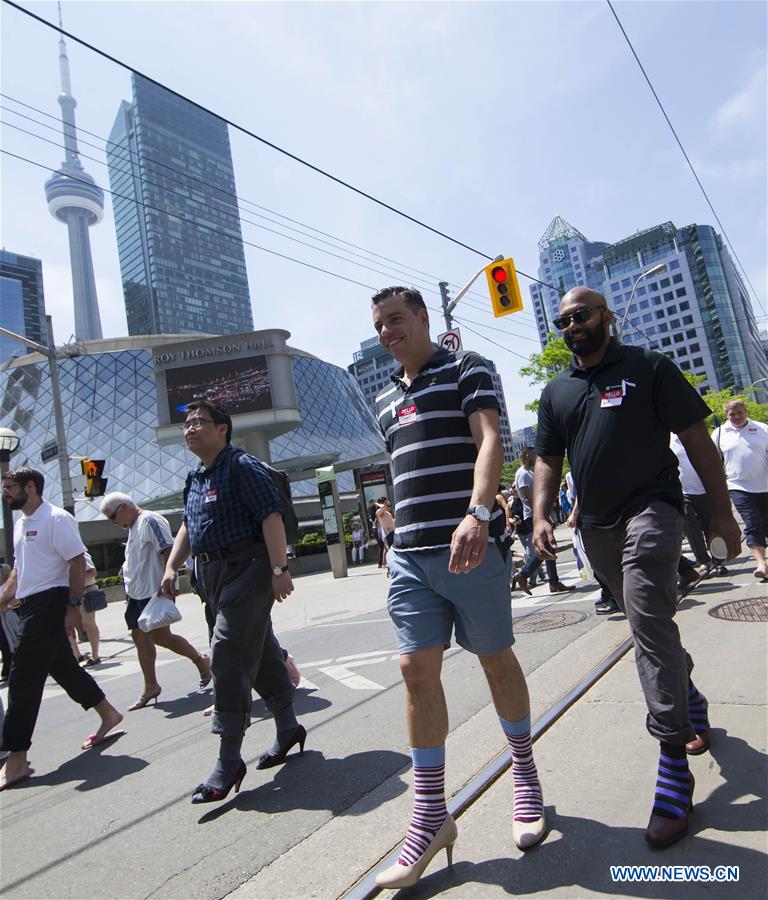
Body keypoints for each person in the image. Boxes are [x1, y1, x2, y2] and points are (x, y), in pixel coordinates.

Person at [532, 287, 741, 847]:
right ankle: (688, 695)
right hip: (595, 526)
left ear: (606, 316)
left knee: (647, 621)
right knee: (649, 627)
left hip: (653, 508)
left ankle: (672, 763)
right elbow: (548, 460)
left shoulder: (649, 367)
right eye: (564, 321)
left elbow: (698, 441)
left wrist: (721, 515)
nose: (572, 325)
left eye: (582, 315)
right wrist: (541, 515)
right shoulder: (556, 391)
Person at [370, 286, 545, 890]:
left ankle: (524, 777)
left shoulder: (467, 367)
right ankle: (429, 817)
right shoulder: (384, 400)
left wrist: (479, 513)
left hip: (471, 548)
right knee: (415, 671)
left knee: (496, 661)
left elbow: (490, 438)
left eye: (397, 319)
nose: (388, 331)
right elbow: (403, 472)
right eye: (380, 325)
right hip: (411, 559)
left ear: (423, 318)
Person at [159, 401, 304, 804]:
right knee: (260, 649)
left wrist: (279, 570)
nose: (190, 429)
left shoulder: (242, 466)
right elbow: (188, 524)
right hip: (212, 576)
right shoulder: (195, 476)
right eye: (186, 423)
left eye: (200, 422)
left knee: (226, 652)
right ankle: (289, 727)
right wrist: (172, 567)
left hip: (250, 567)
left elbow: (270, 516)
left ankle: (228, 758)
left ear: (223, 429)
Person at [0, 467, 123, 791]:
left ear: (30, 487)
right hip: (29, 605)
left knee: (23, 677)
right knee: (64, 669)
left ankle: (16, 758)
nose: (5, 493)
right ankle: (108, 712)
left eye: (9, 487)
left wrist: (72, 607)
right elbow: (19, 570)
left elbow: (77, 562)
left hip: (49, 604)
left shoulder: (55, 518)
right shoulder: (22, 523)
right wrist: (2, 600)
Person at [99, 493, 212, 710]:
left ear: (123, 507)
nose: (113, 523)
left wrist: (168, 582)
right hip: (136, 593)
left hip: (153, 591)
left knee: (160, 636)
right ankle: (151, 684)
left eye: (113, 516)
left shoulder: (150, 520)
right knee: (140, 635)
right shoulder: (134, 527)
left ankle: (199, 660)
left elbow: (169, 550)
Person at [712, 399, 768, 581]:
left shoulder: (762, 429)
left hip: (765, 486)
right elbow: (714, 462)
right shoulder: (719, 433)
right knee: (752, 524)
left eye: (739, 412)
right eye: (731, 414)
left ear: (746, 411)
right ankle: (761, 564)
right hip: (739, 487)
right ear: (726, 415)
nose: (736, 417)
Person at [513, 448, 569, 594]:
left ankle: (553, 582)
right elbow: (527, 496)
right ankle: (524, 574)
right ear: (526, 455)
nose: (536, 457)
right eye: (533, 455)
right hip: (533, 516)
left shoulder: (529, 472)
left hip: (535, 515)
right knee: (546, 547)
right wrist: (541, 516)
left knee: (549, 547)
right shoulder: (523, 474)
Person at [66, 550, 103, 666]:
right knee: (68, 625)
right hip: (69, 594)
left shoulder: (79, 553)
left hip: (85, 592)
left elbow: (92, 572)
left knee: (89, 623)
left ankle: (95, 656)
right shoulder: (61, 558)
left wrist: (74, 581)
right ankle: (77, 655)